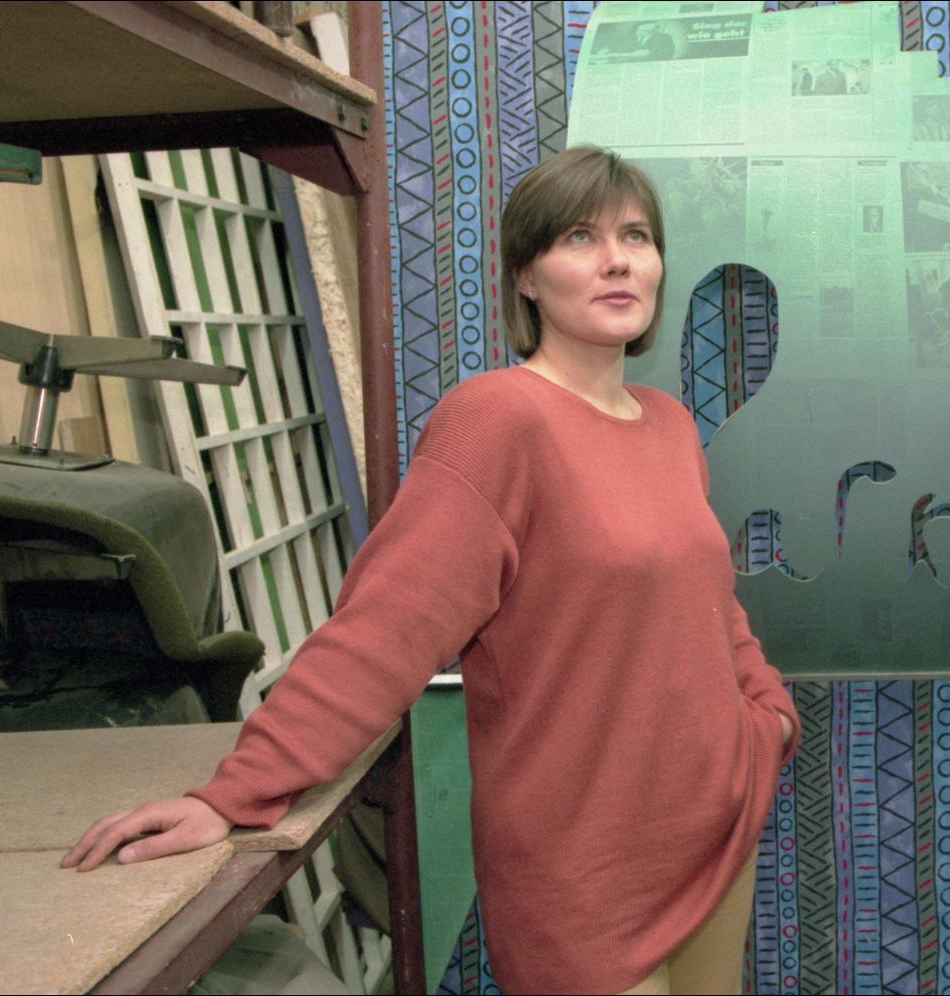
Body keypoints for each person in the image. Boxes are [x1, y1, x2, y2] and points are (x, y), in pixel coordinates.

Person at [63, 146, 800, 996]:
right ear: (525, 276)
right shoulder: (496, 421)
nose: (616, 260)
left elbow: (708, 604)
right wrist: (234, 794)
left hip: (712, 835)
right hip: (582, 869)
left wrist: (765, 716)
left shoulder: (667, 425)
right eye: (578, 237)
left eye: (636, 235)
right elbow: (386, 628)